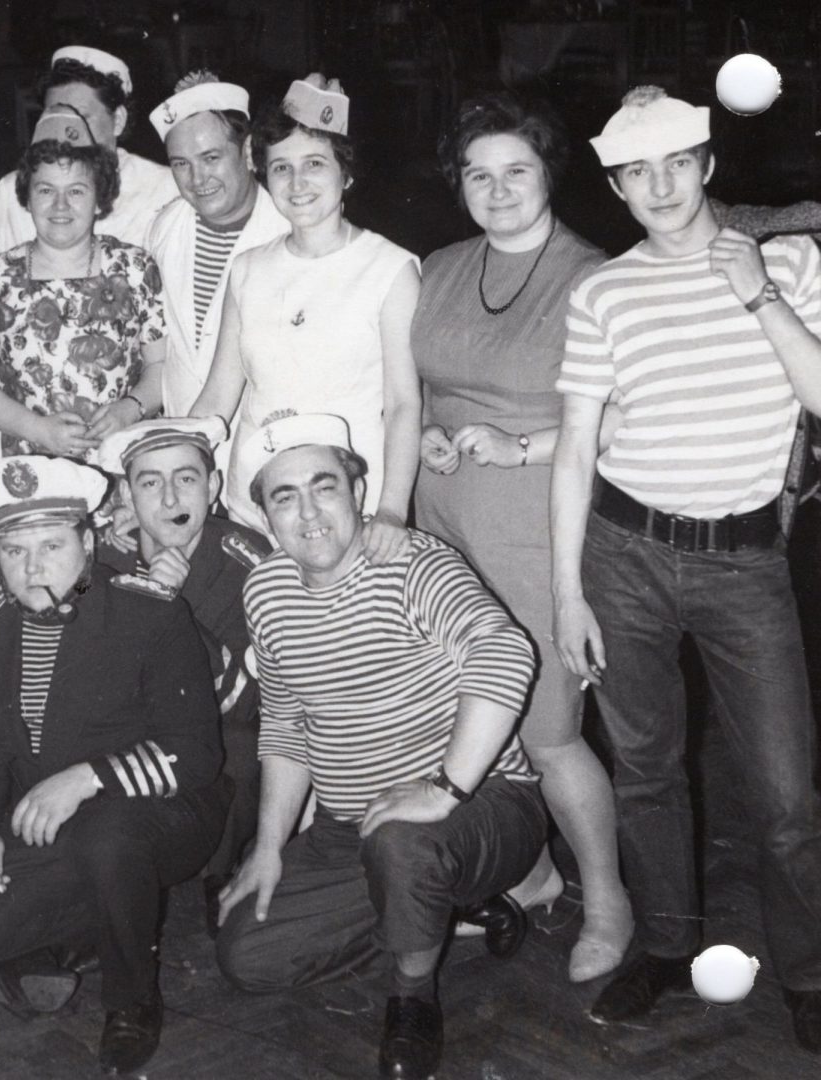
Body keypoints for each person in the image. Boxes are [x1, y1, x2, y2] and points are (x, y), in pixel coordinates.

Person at [552, 86, 821, 1051]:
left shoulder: (789, 262)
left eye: (676, 164)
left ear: (708, 164)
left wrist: (759, 295)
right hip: (624, 555)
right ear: (616, 188)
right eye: (637, 172)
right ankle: (668, 948)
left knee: (786, 796)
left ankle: (808, 971)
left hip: (744, 562)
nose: (660, 187)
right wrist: (566, 592)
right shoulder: (603, 291)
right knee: (646, 771)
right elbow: (575, 448)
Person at [216, 412, 545, 1080]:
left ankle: (413, 997)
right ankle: (443, 909)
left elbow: (506, 652)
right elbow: (285, 722)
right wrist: (270, 847)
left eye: (325, 487)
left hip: (482, 805)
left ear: (359, 492)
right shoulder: (266, 592)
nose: (309, 513)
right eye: (285, 497)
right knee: (248, 955)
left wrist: (445, 788)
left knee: (403, 844)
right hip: (352, 826)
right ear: (265, 518)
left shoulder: (412, 563)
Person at [412, 92, 632, 983]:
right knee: (465, 713)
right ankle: (533, 874)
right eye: (478, 175)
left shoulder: (593, 277)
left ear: (549, 175)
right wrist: (431, 432)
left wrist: (521, 446)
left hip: (539, 527)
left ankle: (608, 899)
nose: (497, 190)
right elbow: (425, 387)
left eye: (517, 171)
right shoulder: (439, 267)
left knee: (548, 730)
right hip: (441, 521)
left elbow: (625, 417)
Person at [0, 455, 228, 1076]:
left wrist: (88, 778)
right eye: (14, 551)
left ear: (88, 543)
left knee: (109, 836)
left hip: (160, 812)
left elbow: (198, 752)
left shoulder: (147, 612)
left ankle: (133, 1000)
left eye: (52, 546)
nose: (32, 567)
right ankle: (109, 911)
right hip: (53, 821)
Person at [189, 74, 420, 550]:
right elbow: (218, 396)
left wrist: (392, 510)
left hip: (350, 511)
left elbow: (403, 404)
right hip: (254, 507)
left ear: (346, 173)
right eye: (281, 168)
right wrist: (172, 463)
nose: (297, 184)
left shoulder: (391, 269)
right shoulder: (248, 268)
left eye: (315, 163)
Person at [95, 416, 269, 922]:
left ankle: (222, 872)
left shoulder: (248, 562)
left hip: (215, 725)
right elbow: (67, 597)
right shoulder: (102, 555)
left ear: (213, 487)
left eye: (186, 479)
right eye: (150, 483)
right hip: (124, 723)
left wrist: (167, 605)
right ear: (127, 496)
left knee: (244, 748)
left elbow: (244, 695)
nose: (170, 499)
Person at [0, 108, 168, 464]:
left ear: (99, 199)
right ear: (27, 198)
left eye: (76, 191)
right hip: (29, 465)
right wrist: (37, 429)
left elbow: (161, 364)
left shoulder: (135, 269)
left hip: (122, 459)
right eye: (46, 190)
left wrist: (131, 409)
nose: (60, 205)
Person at [145, 71, 288, 454]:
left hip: (265, 448)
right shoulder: (164, 227)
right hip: (182, 438)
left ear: (247, 151)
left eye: (211, 157)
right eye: (181, 163)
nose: (197, 179)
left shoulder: (287, 229)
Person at [0, 45, 177, 261]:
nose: (66, 131)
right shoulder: (10, 191)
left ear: (118, 120)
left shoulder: (163, 188)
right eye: (55, 114)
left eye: (81, 116)